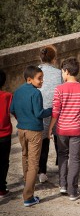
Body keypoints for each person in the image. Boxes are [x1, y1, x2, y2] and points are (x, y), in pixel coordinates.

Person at [48, 57, 80, 201]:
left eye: (62, 71)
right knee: (74, 159)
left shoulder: (59, 89)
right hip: (76, 130)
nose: (62, 74)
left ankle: (62, 185)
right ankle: (73, 191)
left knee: (62, 156)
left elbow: (55, 112)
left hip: (61, 130)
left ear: (67, 71)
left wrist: (50, 128)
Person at [10, 66, 52, 207]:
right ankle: (28, 197)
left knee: (25, 156)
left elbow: (12, 110)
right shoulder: (36, 93)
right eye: (39, 78)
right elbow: (39, 113)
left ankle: (26, 181)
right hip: (34, 131)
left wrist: (22, 119)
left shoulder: (17, 91)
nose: (42, 81)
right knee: (34, 163)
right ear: (29, 79)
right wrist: (52, 110)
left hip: (21, 129)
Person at [38, 45, 62, 183]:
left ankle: (42, 171)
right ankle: (62, 166)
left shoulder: (34, 72)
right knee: (59, 140)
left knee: (44, 141)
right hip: (57, 112)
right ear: (54, 59)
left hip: (41, 111)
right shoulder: (59, 73)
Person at [0, 69, 13, 198]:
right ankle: (2, 188)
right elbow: (13, 111)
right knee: (4, 162)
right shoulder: (8, 96)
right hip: (4, 135)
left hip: (5, 135)